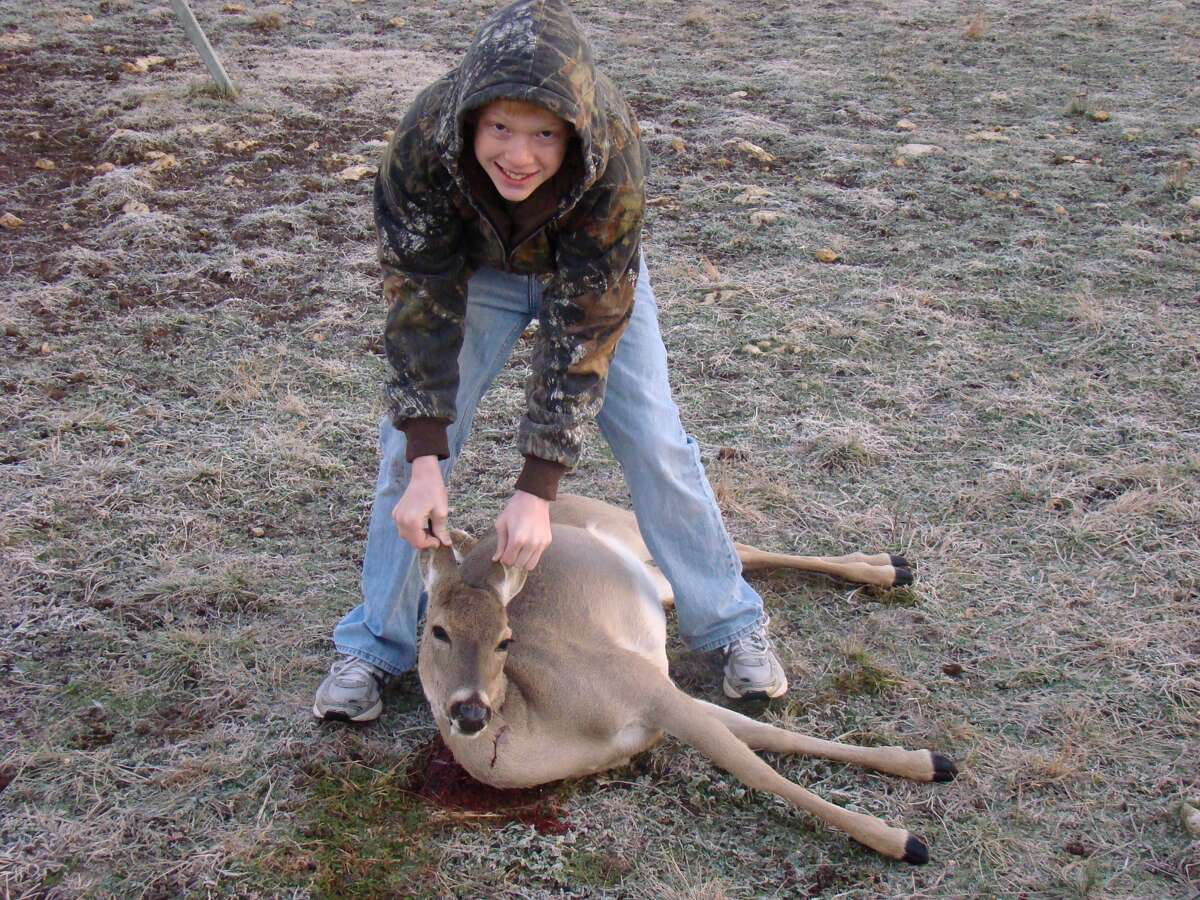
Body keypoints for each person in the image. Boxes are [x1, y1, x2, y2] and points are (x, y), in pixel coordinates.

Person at [314, 0, 786, 722]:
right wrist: (425, 455)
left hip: (586, 273)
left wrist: (537, 487)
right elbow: (419, 304)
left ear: (574, 133)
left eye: (542, 135)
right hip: (476, 271)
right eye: (500, 128)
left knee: (654, 437)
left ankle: (729, 625)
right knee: (402, 460)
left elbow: (585, 331)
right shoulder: (420, 147)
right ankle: (374, 646)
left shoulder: (613, 158)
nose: (518, 155)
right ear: (471, 119)